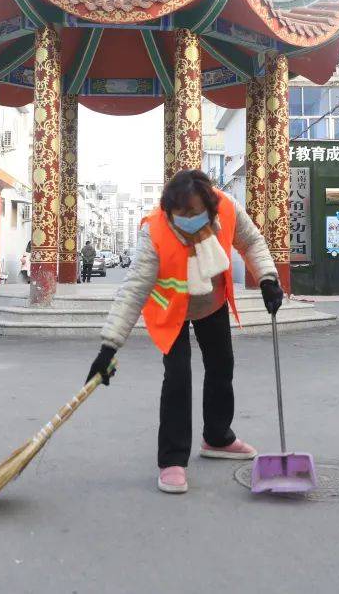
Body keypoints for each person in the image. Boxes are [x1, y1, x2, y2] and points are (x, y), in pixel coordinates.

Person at [85, 169, 284, 494]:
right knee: (177, 377)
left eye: (195, 213)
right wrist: (108, 347)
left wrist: (267, 278)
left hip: (212, 301)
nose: (188, 220)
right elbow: (134, 289)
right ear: (169, 210)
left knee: (222, 366)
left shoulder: (228, 206)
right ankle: (172, 460)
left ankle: (218, 437)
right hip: (170, 309)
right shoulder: (155, 230)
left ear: (210, 207)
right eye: (181, 215)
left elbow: (252, 242)